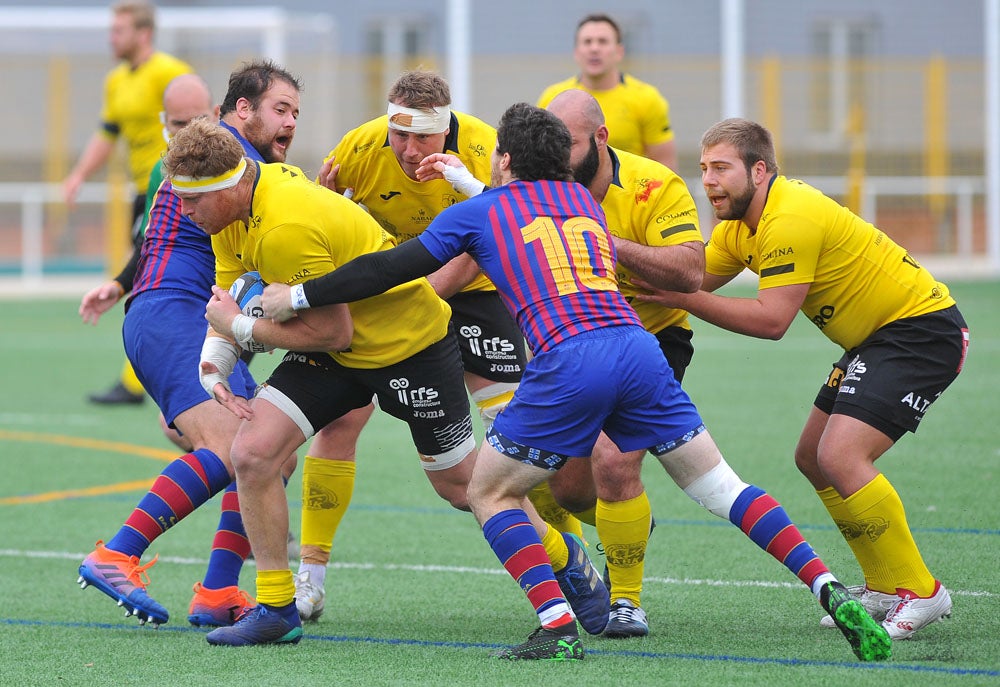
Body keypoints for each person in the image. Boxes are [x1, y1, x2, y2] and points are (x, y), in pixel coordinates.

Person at [260, 103, 892, 662]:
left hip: (570, 359)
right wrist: (468, 181)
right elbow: (522, 213)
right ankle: (827, 586)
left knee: (488, 492)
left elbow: (394, 266)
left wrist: (302, 294)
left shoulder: (483, 211)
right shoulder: (582, 202)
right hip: (638, 350)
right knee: (723, 486)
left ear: (504, 159)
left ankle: (556, 621)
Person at [160, 116, 607, 647]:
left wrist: (239, 329)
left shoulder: (283, 226)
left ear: (233, 185)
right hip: (341, 353)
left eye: (193, 203)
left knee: (465, 487)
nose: (185, 215)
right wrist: (215, 360)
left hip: (408, 347)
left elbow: (329, 329)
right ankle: (277, 606)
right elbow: (233, 287)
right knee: (254, 453)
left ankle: (565, 558)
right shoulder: (234, 210)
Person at [633, 117, 968, 642]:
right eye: (703, 170)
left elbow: (770, 321)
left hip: (920, 333)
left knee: (840, 456)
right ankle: (881, 584)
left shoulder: (788, 216)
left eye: (721, 168)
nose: (709, 181)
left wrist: (680, 299)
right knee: (812, 457)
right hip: (877, 341)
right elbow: (690, 275)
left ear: (759, 170)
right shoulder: (739, 229)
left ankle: (923, 590)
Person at [293, 69, 587, 623]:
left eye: (421, 137)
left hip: (470, 290)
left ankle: (564, 564)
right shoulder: (359, 147)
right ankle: (310, 578)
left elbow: (493, 237)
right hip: (389, 295)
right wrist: (322, 200)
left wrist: (423, 300)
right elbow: (323, 221)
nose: (407, 149)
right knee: (338, 425)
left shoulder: (482, 148)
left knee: (520, 440)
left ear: (446, 130)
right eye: (398, 135)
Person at [415, 88, 702, 638]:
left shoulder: (653, 185)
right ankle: (606, 542)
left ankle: (625, 601)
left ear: (600, 139)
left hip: (646, 339)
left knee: (614, 462)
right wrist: (417, 304)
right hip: (568, 349)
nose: (559, 157)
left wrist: (600, 241)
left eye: (571, 143)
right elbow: (482, 241)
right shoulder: (533, 191)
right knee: (567, 489)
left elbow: (690, 271)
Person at [76, 61, 303, 630]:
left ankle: (218, 592)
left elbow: (166, 232)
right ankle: (116, 554)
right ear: (242, 109)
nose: (291, 123)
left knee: (272, 453)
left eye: (296, 113)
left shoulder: (216, 156)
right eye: (281, 109)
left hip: (187, 316)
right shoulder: (230, 158)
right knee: (233, 449)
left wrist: (119, 281)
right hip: (172, 315)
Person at [64, 0, 193, 406]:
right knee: (143, 271)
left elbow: (201, 112)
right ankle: (143, 373)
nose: (111, 38)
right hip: (142, 191)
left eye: (119, 30)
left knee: (147, 273)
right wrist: (80, 174)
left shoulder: (170, 72)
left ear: (143, 34)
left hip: (172, 190)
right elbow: (107, 133)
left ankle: (136, 379)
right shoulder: (116, 80)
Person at [536, 13, 677, 171]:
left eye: (602, 41)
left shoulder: (647, 98)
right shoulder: (553, 98)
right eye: (587, 42)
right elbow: (541, 157)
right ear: (576, 52)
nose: (594, 48)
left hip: (628, 194)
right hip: (570, 193)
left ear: (619, 51)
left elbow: (665, 165)